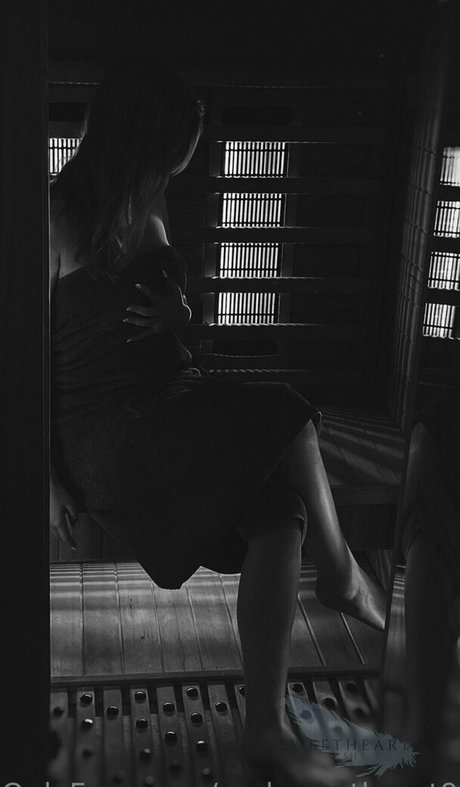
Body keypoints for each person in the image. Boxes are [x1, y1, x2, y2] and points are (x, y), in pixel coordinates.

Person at [49, 56, 386, 787]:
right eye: (174, 151)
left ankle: (266, 731)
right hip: (105, 432)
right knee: (290, 416)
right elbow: (25, 354)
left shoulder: (149, 201)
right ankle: (342, 576)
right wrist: (51, 478)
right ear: (140, 139)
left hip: (169, 403)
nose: (178, 166)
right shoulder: (55, 212)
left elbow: (168, 332)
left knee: (281, 515)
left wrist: (181, 315)